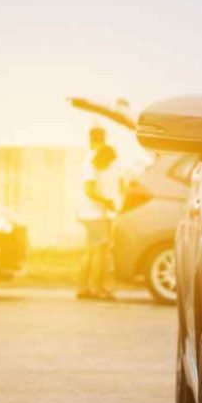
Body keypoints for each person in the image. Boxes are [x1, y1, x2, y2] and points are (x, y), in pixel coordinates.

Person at [77, 129, 121, 300]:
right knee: (99, 251)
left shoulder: (95, 157)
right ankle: (97, 289)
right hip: (93, 212)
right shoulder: (93, 160)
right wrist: (107, 202)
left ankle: (83, 288)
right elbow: (89, 189)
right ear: (102, 138)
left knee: (91, 251)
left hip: (92, 212)